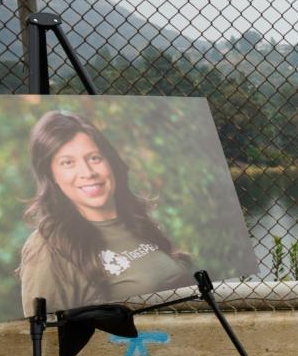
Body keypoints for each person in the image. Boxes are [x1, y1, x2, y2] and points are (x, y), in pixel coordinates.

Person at [17, 110, 194, 314]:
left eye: (94, 158)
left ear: (110, 162)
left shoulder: (136, 220)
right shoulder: (47, 246)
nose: (88, 172)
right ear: (51, 175)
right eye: (68, 162)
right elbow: (45, 336)